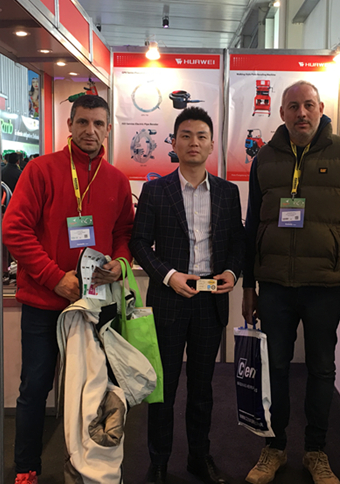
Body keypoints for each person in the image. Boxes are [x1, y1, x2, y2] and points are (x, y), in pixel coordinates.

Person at [242, 81, 340, 484]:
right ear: (281, 113)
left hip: (324, 286)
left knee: (321, 370)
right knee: (275, 369)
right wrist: (249, 286)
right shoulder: (264, 159)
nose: (301, 113)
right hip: (275, 287)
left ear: (320, 109)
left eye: (308, 105)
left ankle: (316, 451)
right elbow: (253, 226)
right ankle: (274, 448)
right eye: (293, 106)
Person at [2, 94, 134, 484]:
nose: (90, 130)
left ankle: (89, 468)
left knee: (94, 390)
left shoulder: (116, 179)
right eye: (83, 122)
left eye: (98, 123)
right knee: (35, 387)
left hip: (95, 306)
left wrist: (120, 263)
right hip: (45, 303)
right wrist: (54, 277)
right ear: (70, 126)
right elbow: (15, 230)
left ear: (108, 129)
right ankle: (26, 467)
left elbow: (125, 233)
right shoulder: (40, 170)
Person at [130, 107, 245, 484]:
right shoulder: (155, 190)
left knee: (202, 388)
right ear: (174, 143)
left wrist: (231, 273)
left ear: (211, 145)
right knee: (162, 388)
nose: (194, 142)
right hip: (169, 299)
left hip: (210, 302)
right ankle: (159, 461)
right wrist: (169, 275)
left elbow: (237, 243)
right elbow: (139, 243)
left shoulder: (228, 193)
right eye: (186, 135)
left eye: (201, 136)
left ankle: (199, 456)